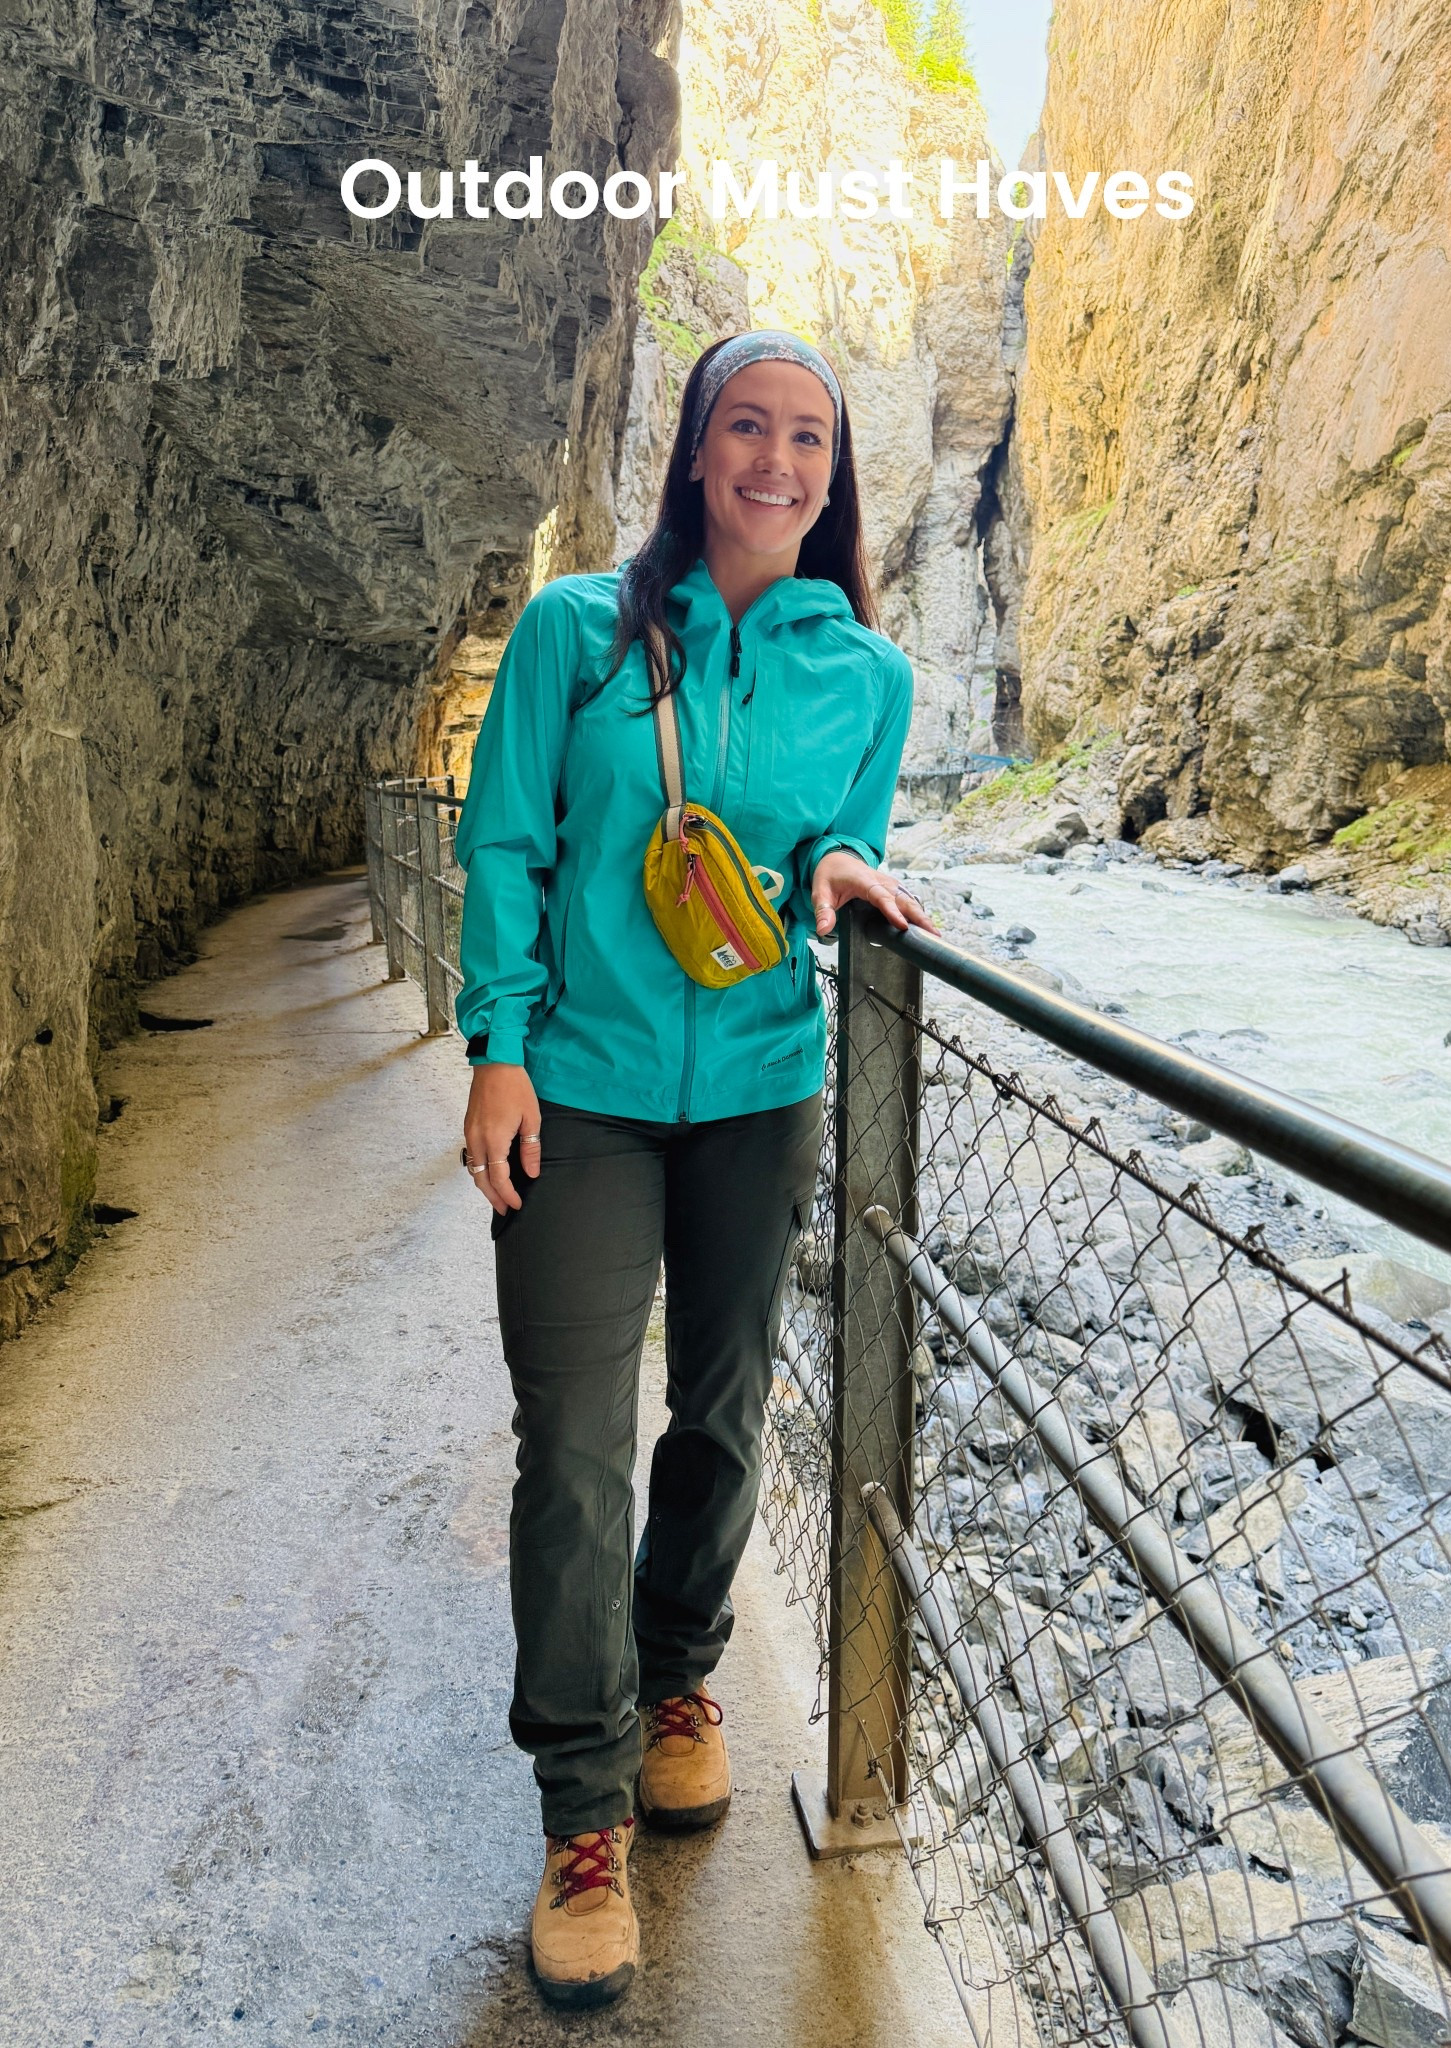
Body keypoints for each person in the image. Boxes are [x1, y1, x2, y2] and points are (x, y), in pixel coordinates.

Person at [453, 328, 937, 2010]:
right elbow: (506, 839)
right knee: (574, 1443)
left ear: (838, 470)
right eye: (749, 427)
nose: (779, 463)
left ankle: (680, 1683)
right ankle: (583, 1815)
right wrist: (496, 1046)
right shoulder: (577, 634)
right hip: (576, 1090)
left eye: (811, 437)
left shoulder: (863, 675)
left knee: (724, 1413)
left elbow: (827, 838)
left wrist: (846, 869)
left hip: (758, 1085)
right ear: (693, 450)